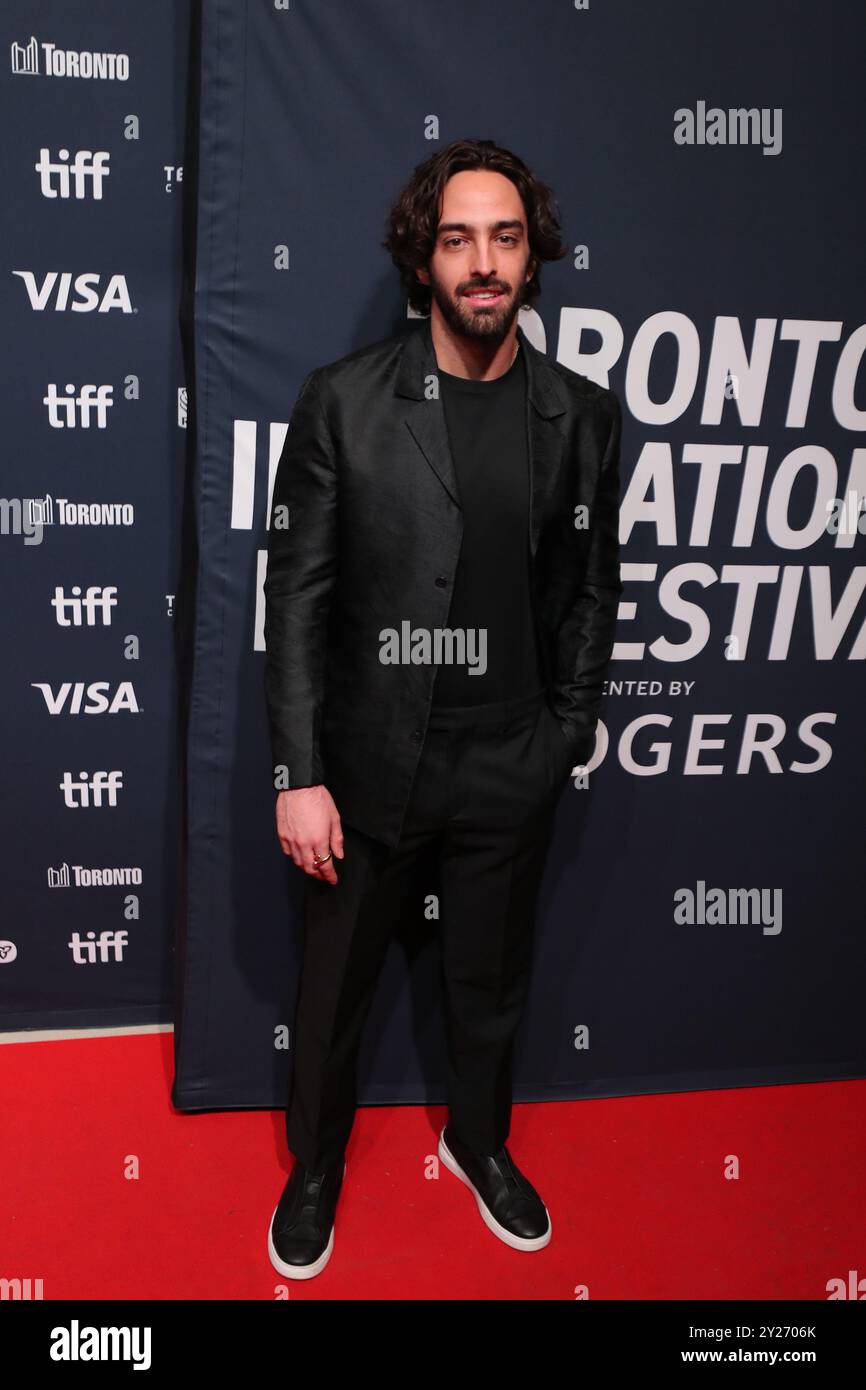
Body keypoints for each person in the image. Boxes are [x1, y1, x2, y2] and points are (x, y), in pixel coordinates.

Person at [263, 137, 623, 1279]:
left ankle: (480, 1144)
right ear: (422, 261)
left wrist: (563, 733)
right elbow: (299, 601)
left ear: (532, 256)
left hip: (509, 761)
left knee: (488, 987)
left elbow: (587, 597)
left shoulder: (582, 417)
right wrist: (300, 771)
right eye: (457, 238)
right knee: (332, 1001)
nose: (482, 262)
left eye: (504, 238)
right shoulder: (341, 404)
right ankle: (313, 1172)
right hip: (368, 767)